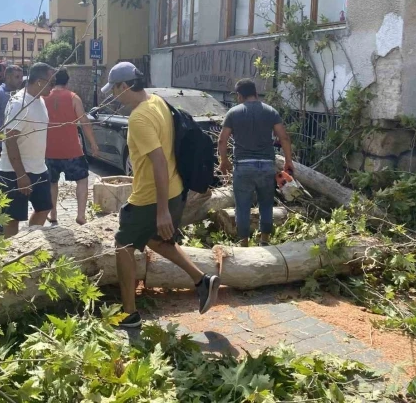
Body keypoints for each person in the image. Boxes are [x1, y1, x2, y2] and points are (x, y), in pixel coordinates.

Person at [103, 62, 220, 329]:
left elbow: (158, 161)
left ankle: (129, 315)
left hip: (151, 196)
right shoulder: (157, 101)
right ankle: (202, 280)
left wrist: (161, 211)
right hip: (175, 189)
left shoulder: (139, 117)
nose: (113, 95)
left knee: (123, 245)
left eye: (114, 90)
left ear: (124, 86)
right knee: (157, 240)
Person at [217, 79, 293, 246]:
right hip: (266, 165)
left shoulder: (234, 113)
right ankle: (264, 241)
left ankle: (243, 242)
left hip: (243, 166)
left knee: (242, 207)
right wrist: (288, 161)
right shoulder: (271, 111)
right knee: (266, 205)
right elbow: (284, 137)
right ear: (256, 93)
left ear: (239, 96)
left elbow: (222, 140)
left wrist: (224, 161)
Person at [0, 63, 56, 236]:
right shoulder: (19, 103)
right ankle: (11, 257)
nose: (53, 87)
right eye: (51, 83)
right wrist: (21, 175)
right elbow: (10, 139)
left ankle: (27, 242)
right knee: (12, 218)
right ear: (39, 81)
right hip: (13, 172)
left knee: (44, 208)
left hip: (38, 168)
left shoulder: (40, 99)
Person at [44, 69, 100, 226]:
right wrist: (93, 144)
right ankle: (81, 215)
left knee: (52, 182)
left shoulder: (43, 97)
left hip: (49, 150)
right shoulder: (73, 97)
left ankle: (53, 213)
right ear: (67, 82)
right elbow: (85, 122)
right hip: (72, 150)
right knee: (82, 180)